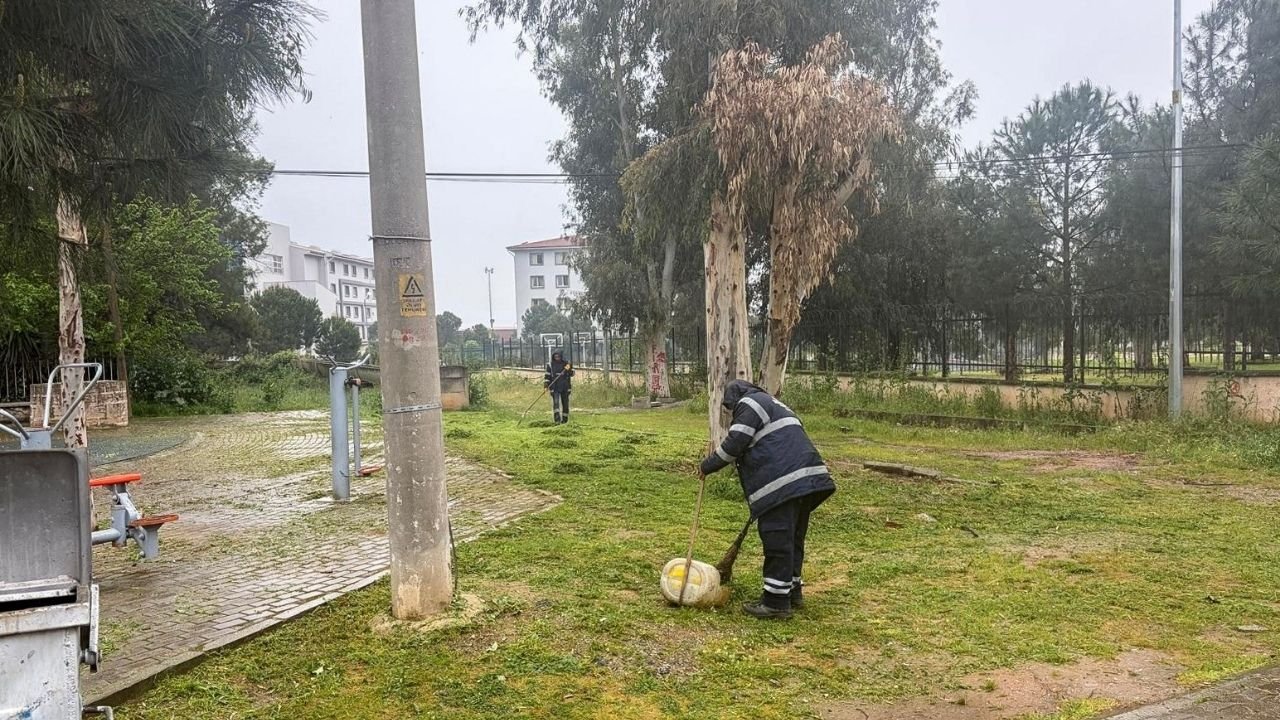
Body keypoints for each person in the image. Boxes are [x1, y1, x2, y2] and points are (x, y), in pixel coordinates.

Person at [699, 380, 836, 619]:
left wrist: (706, 466)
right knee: (792, 538)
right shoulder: (773, 403)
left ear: (733, 400)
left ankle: (776, 603)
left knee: (777, 539)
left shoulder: (749, 404)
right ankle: (792, 592)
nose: (731, 415)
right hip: (808, 480)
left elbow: (734, 444)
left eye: (730, 410)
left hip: (783, 482)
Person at [544, 351, 574, 424]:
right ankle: (557, 420)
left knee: (565, 404)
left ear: (561, 357)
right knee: (556, 403)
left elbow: (572, 374)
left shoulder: (566, 364)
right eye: (555, 357)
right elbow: (547, 376)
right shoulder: (550, 365)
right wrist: (546, 386)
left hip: (565, 387)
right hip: (555, 387)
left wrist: (569, 369)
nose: (557, 358)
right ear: (553, 357)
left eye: (558, 357)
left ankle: (565, 420)